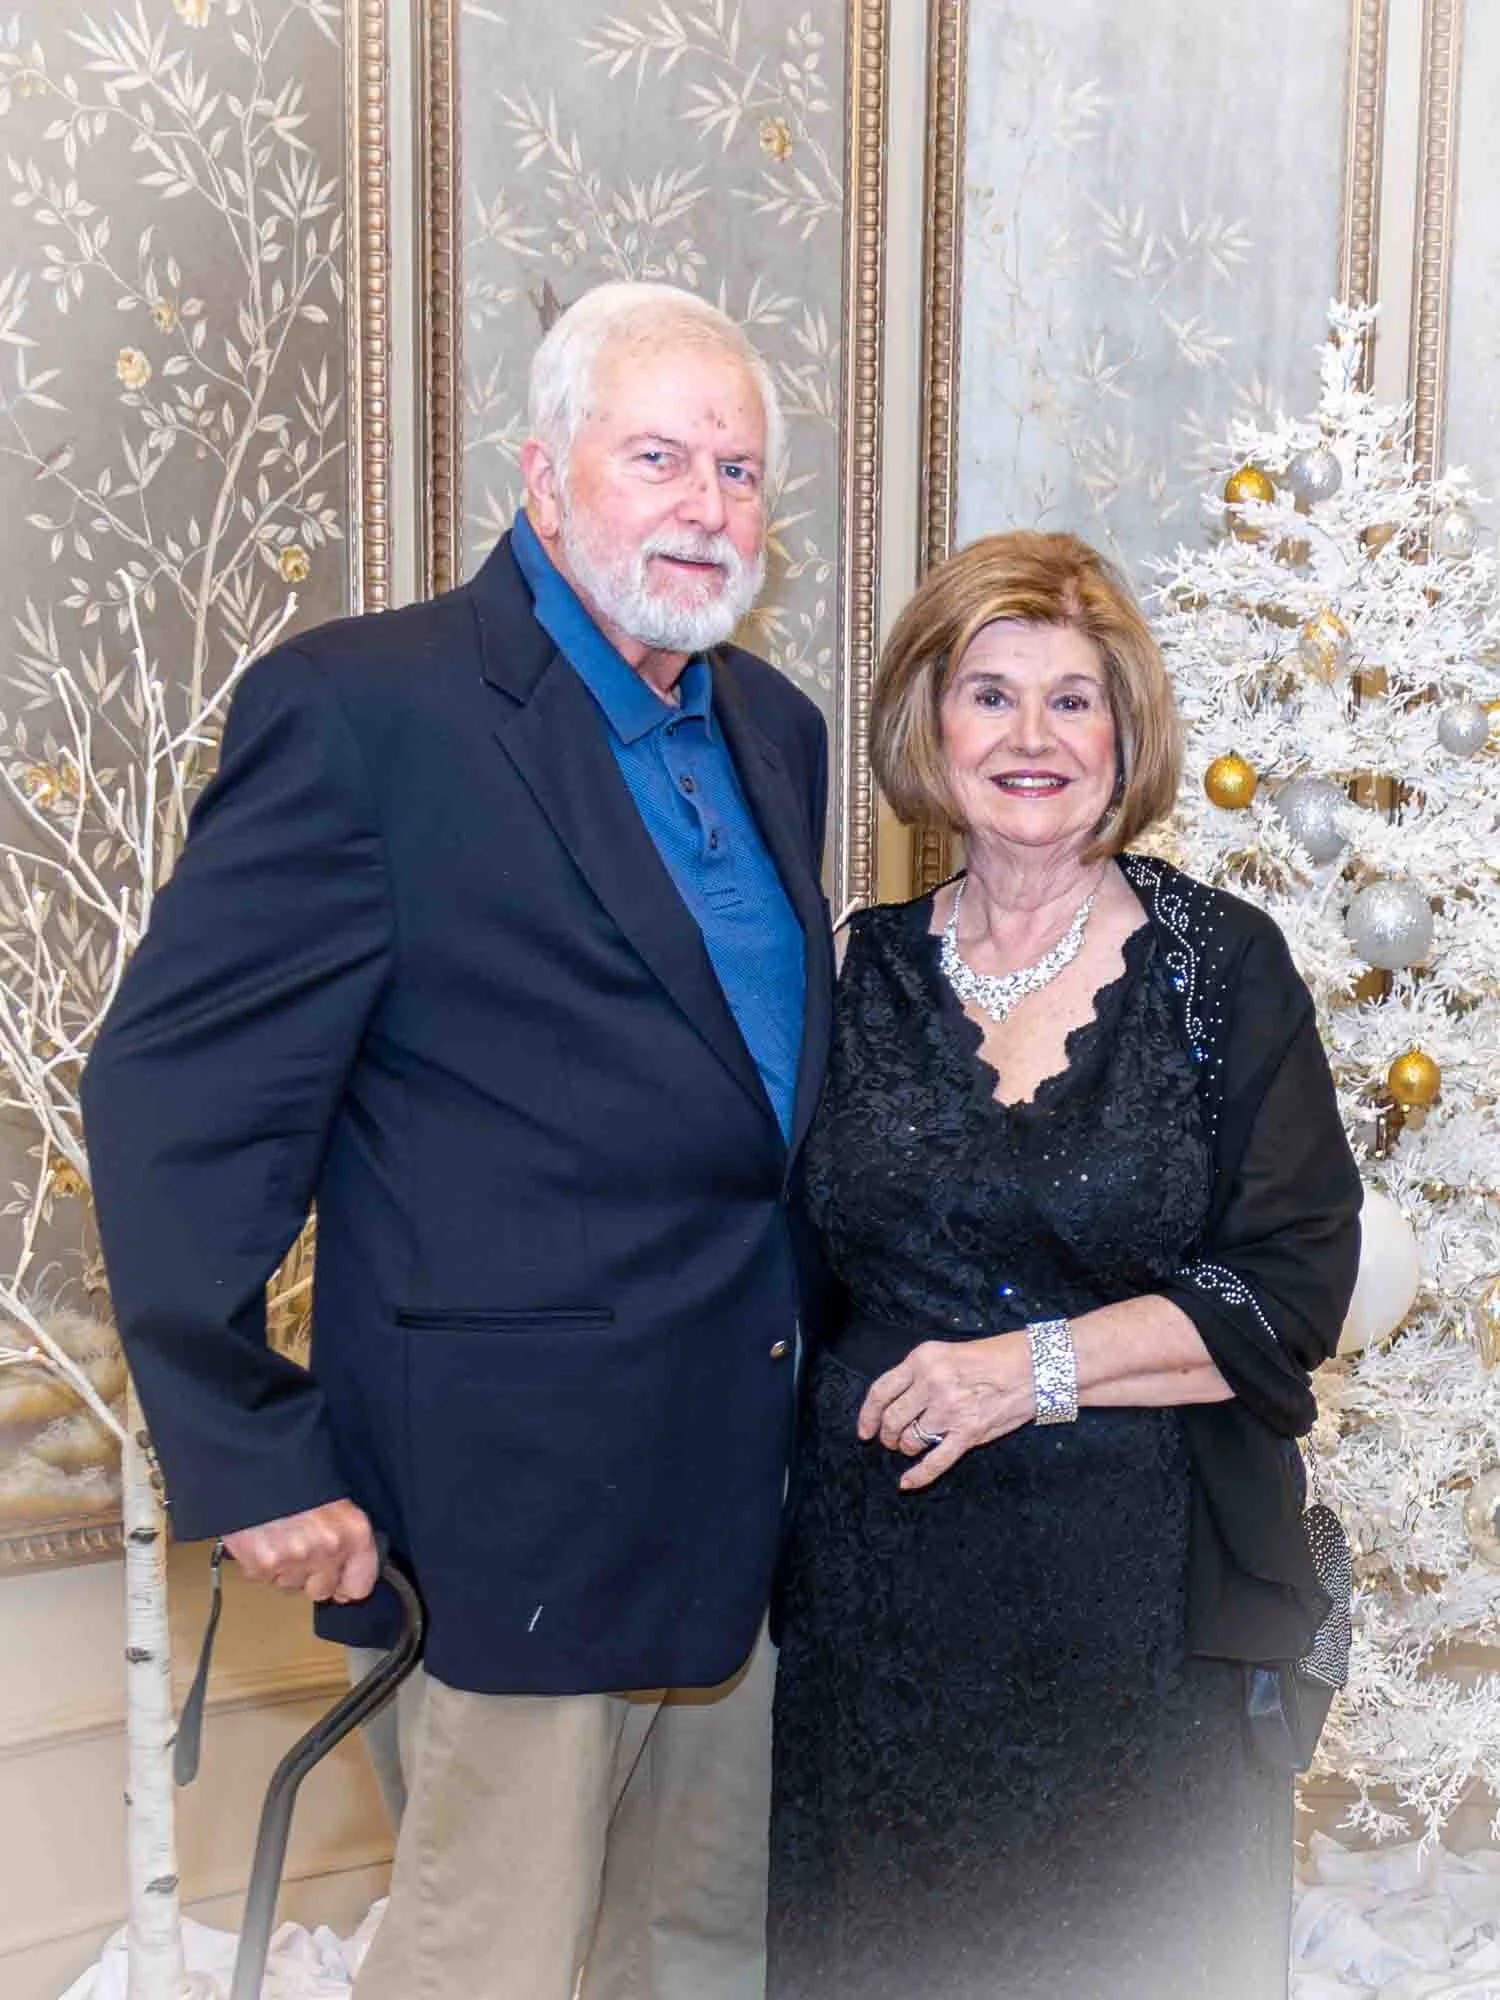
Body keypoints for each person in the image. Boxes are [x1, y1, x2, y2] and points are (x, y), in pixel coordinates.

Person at [80, 280, 834, 2000]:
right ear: (543, 475)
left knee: (701, 1955)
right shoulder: (369, 712)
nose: (706, 504)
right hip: (511, 1512)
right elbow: (173, 1097)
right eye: (659, 456)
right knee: (494, 1962)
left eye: (737, 469)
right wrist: (252, 1449)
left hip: (745, 1489)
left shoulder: (776, 734)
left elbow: (758, 1115)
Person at [767, 530, 1362, 2000]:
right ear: (930, 725)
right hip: (880, 1619)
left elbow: (1290, 1285)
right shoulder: (846, 966)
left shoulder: (1223, 970)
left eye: (1074, 702)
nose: (1032, 738)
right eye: (990, 696)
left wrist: (1025, 1373)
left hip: (1147, 1621)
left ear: (1126, 734)